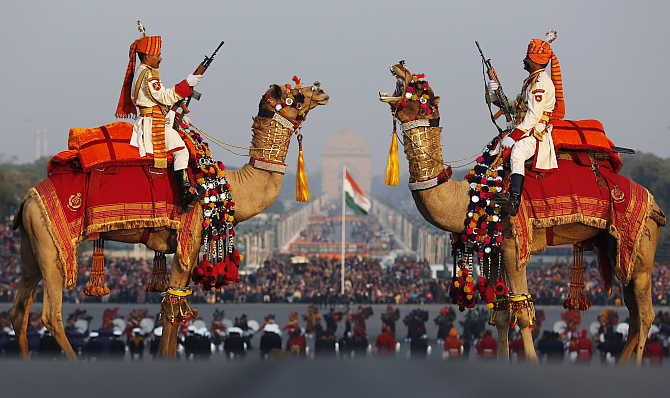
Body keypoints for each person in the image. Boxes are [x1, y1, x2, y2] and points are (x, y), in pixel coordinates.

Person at [115, 26, 202, 207]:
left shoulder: (144, 72)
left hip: (155, 119)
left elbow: (158, 103)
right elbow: (164, 97)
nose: (160, 58)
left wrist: (175, 111)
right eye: (157, 55)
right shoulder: (148, 75)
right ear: (147, 56)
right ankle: (185, 193)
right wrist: (187, 83)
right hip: (152, 124)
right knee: (182, 151)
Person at [488, 31, 565, 215]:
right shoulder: (530, 81)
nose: (524, 60)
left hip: (535, 133)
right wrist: (495, 91)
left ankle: (513, 200)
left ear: (536, 61)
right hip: (524, 129)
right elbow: (514, 107)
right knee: (494, 150)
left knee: (518, 152)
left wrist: (514, 137)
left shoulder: (541, 84)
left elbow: (532, 116)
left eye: (527, 57)